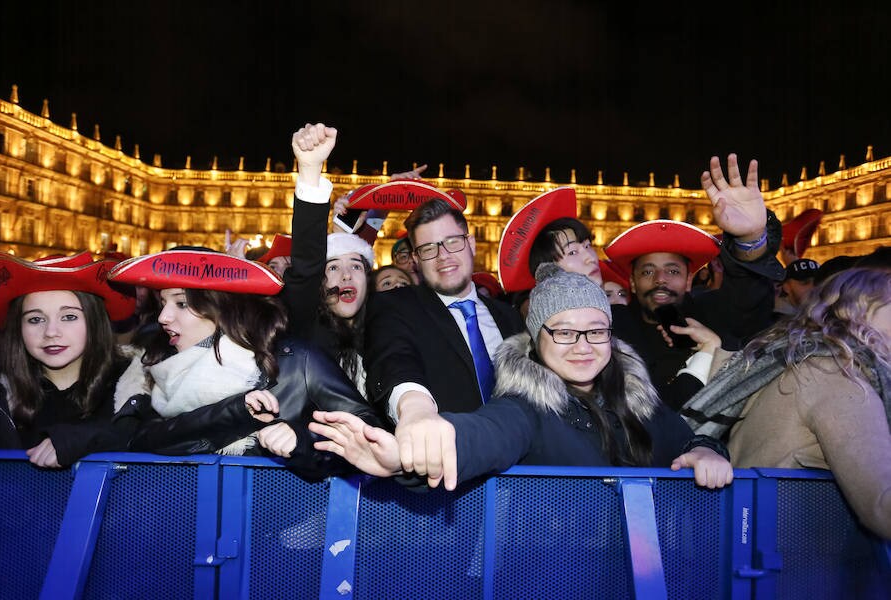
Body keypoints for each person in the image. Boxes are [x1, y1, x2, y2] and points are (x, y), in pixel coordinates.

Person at [310, 264, 733, 492]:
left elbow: (687, 437)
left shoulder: (638, 399)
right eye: (564, 332)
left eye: (595, 330)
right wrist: (407, 454)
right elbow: (477, 435)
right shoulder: (524, 409)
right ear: (537, 338)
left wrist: (705, 452)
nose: (582, 345)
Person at [108, 247, 383, 479]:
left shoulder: (294, 361)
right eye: (163, 302)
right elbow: (140, 440)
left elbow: (368, 432)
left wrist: (304, 441)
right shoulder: (157, 366)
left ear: (221, 307)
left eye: (181, 304)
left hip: (276, 534)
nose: (163, 317)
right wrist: (236, 412)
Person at [682, 267, 890, 538]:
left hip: (751, 549)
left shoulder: (787, 360)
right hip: (800, 564)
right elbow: (882, 505)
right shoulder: (837, 376)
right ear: (856, 312)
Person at [364, 198, 524, 486]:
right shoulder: (396, 307)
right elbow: (393, 358)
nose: (443, 256)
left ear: (471, 243)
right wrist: (414, 408)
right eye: (428, 249)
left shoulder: (510, 318)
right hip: (445, 485)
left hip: (523, 479)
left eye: (452, 241)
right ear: (415, 259)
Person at [604, 154, 784, 394]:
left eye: (673, 270)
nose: (660, 279)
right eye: (648, 271)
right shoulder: (610, 327)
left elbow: (746, 300)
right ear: (632, 283)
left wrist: (748, 239)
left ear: (689, 279)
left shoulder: (713, 314)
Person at [0, 252, 135, 467]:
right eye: (35, 319)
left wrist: (91, 437)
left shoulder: (138, 386)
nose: (50, 332)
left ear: (94, 321)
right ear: (18, 327)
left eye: (69, 317)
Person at [279, 123, 374, 396]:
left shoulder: (386, 331)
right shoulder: (305, 325)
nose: (346, 275)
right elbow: (307, 262)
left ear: (369, 278)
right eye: (333, 267)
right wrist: (310, 171)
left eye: (356, 266)